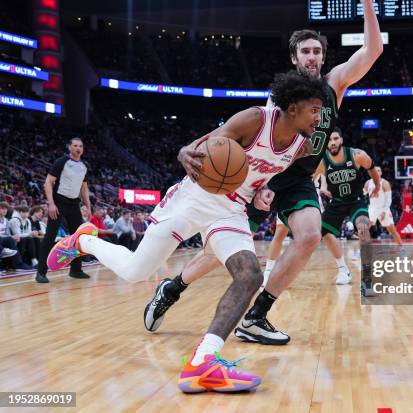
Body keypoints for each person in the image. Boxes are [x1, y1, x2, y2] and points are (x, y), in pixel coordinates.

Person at [47, 71, 326, 393]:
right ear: (292, 108)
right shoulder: (254, 119)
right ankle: (83, 240)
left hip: (232, 210)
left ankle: (202, 363)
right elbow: (205, 143)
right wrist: (185, 150)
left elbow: (260, 175)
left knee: (249, 275)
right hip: (194, 198)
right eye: (314, 110)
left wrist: (264, 191)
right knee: (136, 271)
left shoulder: (301, 147)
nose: (319, 118)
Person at [145, 0, 384, 344]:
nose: (312, 57)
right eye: (305, 51)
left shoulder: (335, 84)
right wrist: (258, 187)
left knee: (309, 234)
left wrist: (367, 6)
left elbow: (373, 49)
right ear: (294, 58)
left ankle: (256, 316)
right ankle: (173, 286)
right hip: (265, 177)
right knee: (218, 251)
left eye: (317, 51)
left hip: (299, 179)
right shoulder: (280, 98)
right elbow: (255, 147)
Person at [315, 128, 381, 289]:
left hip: (356, 201)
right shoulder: (321, 162)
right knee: (320, 232)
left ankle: (367, 278)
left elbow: (371, 167)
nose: (332, 143)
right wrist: (319, 189)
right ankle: (343, 269)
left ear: (341, 140)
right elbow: (308, 180)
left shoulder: (356, 155)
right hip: (336, 202)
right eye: (329, 140)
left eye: (335, 138)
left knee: (363, 228)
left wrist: (378, 185)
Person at [36, 137, 91, 283]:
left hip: (74, 205)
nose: (78, 148)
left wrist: (88, 206)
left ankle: (76, 270)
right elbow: (48, 182)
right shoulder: (62, 162)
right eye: (75, 145)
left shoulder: (84, 166)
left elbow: (84, 188)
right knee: (50, 236)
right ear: (69, 147)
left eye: (80, 146)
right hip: (59, 203)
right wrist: (51, 204)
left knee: (77, 238)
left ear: (83, 149)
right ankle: (41, 272)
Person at [364, 166, 403, 245]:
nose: (377, 172)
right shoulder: (368, 183)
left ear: (381, 173)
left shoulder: (385, 183)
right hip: (372, 208)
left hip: (383, 208)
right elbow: (362, 194)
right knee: (364, 228)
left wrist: (384, 212)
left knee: (392, 231)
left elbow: (389, 200)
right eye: (375, 171)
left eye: (379, 170)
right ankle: (359, 251)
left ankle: (401, 248)